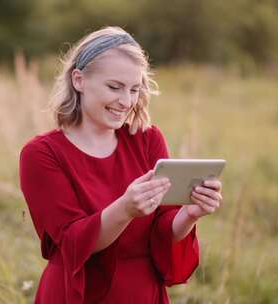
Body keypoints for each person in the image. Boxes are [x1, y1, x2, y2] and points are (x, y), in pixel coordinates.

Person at [19, 26, 223, 304]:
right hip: (78, 293)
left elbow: (162, 231)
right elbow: (73, 243)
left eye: (134, 89)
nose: (126, 101)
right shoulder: (42, 154)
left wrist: (190, 213)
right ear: (78, 80)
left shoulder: (147, 140)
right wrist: (124, 209)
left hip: (142, 292)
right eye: (114, 87)